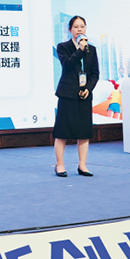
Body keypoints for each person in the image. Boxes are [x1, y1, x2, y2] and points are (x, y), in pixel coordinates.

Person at [53, 15, 99, 177]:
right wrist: (80, 50)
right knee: (62, 131)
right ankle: (60, 165)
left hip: (84, 95)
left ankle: (82, 165)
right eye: (76, 27)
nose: (79, 29)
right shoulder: (63, 47)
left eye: (82, 26)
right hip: (67, 94)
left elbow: (95, 73)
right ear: (69, 30)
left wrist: (88, 88)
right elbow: (67, 64)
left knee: (84, 132)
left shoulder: (92, 49)